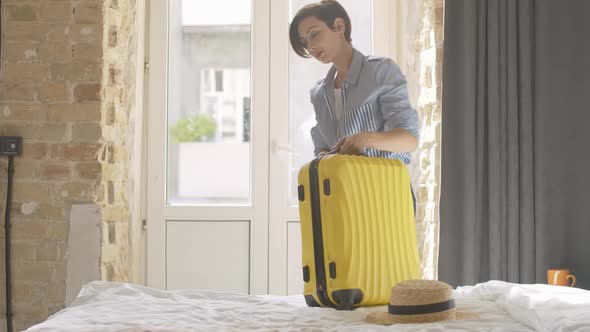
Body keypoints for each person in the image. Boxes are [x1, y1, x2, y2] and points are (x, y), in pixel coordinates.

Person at [289, 0, 419, 211]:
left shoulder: (380, 72)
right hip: (342, 199)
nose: (311, 47)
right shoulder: (319, 94)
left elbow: (409, 140)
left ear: (339, 26)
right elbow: (322, 149)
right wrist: (325, 156)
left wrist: (364, 139)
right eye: (304, 42)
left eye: (314, 34)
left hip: (388, 195)